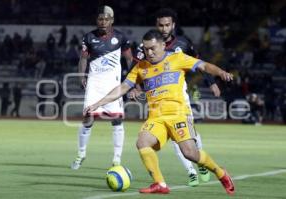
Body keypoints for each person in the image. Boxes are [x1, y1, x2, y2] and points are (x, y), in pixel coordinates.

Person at [85, 30, 235, 195]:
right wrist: (97, 104)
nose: (149, 52)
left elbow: (204, 65)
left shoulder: (177, 58)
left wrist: (221, 73)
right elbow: (122, 87)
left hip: (178, 113)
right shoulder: (141, 67)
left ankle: (221, 173)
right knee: (142, 142)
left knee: (190, 153)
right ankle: (160, 183)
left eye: (153, 48)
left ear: (163, 45)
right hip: (156, 117)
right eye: (146, 49)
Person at [130, 8, 220, 186]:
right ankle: (190, 171)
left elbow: (199, 63)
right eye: (160, 25)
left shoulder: (183, 44)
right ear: (157, 25)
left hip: (179, 93)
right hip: (157, 95)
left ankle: (199, 159)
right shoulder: (147, 47)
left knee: (188, 135)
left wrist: (212, 82)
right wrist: (136, 87)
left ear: (173, 25)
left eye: (167, 25)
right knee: (173, 137)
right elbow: (137, 70)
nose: (164, 29)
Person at [71, 5, 133, 169]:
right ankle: (81, 154)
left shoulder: (120, 38)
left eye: (106, 19)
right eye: (100, 19)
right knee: (88, 119)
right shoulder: (89, 37)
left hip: (113, 85)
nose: (103, 22)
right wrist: (81, 75)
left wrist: (132, 80)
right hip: (94, 85)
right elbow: (83, 59)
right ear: (96, 20)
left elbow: (129, 59)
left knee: (117, 119)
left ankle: (116, 159)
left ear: (111, 20)